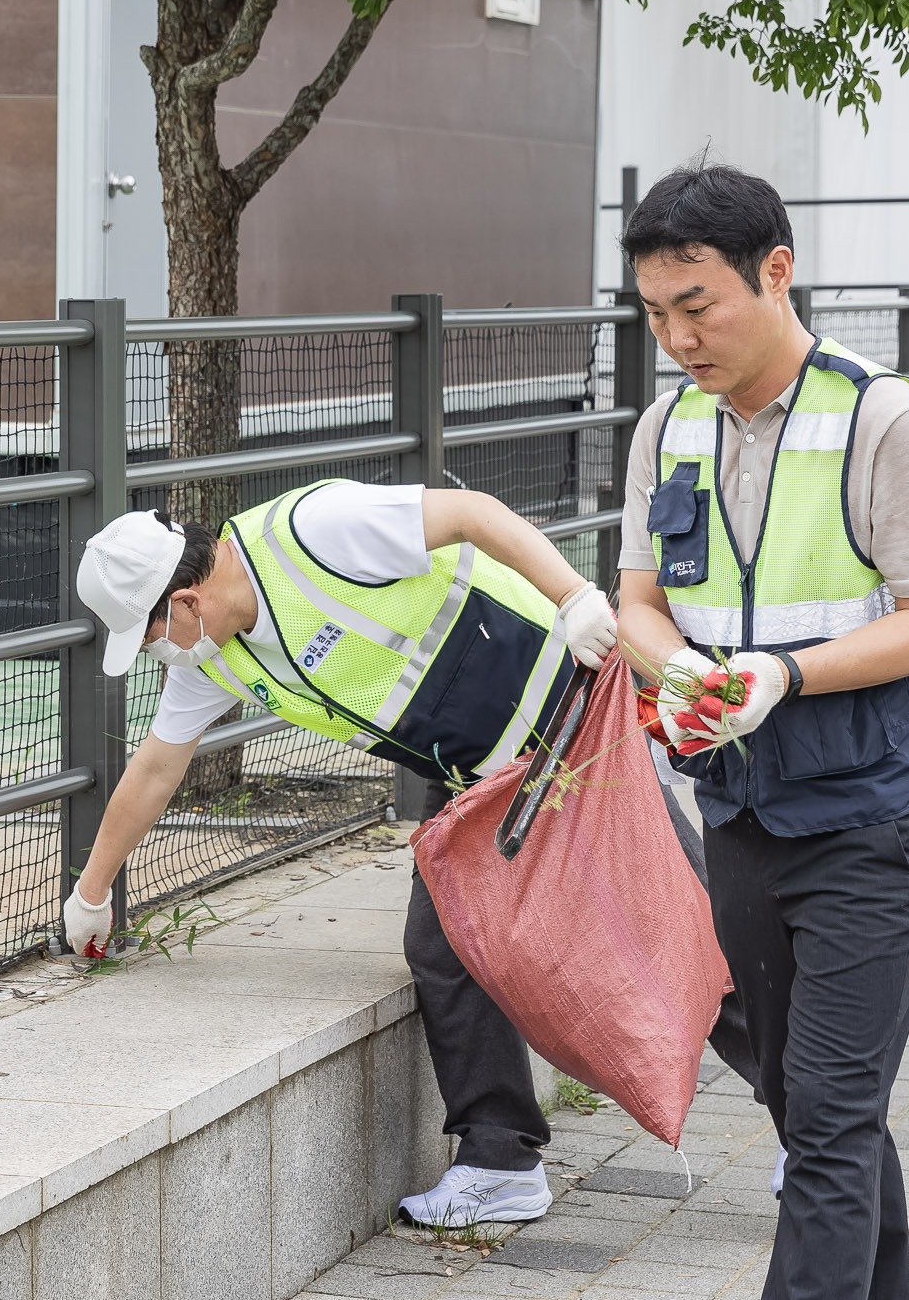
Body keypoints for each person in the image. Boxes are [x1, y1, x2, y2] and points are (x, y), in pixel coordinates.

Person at [613, 163, 909, 1300]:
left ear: (777, 269)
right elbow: (641, 600)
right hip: (739, 806)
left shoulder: (886, 423)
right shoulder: (669, 428)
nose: (680, 336)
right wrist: (672, 668)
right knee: (791, 1083)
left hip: (874, 809)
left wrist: (785, 671)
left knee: (825, 1114)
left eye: (696, 303)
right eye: (655, 312)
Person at [62, 482, 615, 1229]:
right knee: (449, 936)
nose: (160, 652)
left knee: (669, 912)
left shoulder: (311, 530)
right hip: (475, 769)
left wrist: (575, 595)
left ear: (186, 602)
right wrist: (92, 893)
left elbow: (473, 514)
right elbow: (155, 768)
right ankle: (500, 1161)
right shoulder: (210, 657)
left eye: (153, 634)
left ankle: (818, 1125)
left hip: (564, 701)